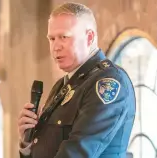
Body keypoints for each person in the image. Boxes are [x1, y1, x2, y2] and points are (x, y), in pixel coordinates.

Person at [18, 2, 136, 158]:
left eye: (64, 37)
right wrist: (27, 142)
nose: (56, 47)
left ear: (89, 37)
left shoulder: (108, 82)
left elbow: (77, 153)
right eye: (52, 39)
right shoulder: (63, 85)